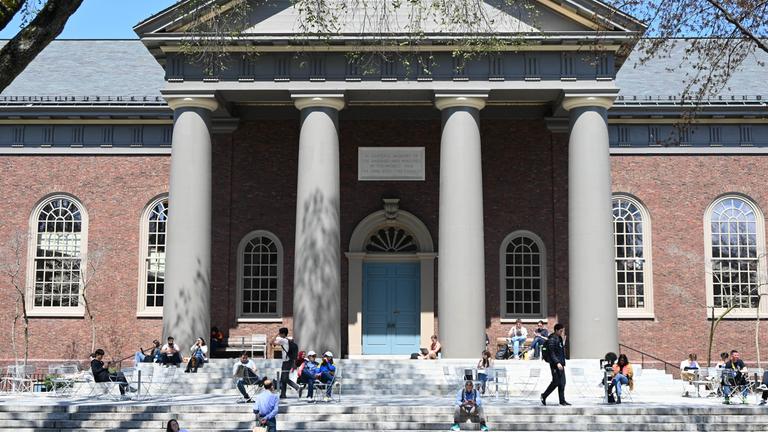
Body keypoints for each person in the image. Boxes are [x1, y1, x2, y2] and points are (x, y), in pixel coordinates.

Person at [540, 323, 570, 406]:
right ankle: (544, 395)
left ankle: (562, 401)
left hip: (561, 363)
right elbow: (552, 353)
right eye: (560, 331)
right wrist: (557, 363)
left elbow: (560, 351)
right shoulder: (552, 339)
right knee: (556, 382)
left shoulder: (559, 338)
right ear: (556, 330)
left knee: (562, 382)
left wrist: (562, 362)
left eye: (562, 331)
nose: (561, 332)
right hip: (555, 364)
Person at [273, 327, 300, 399]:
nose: (279, 335)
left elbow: (271, 342)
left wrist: (276, 334)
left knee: (284, 378)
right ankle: (283, 394)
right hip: (288, 361)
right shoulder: (287, 340)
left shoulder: (283, 340)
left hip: (286, 362)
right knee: (283, 378)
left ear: (282, 333)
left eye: (280, 333)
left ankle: (297, 388)